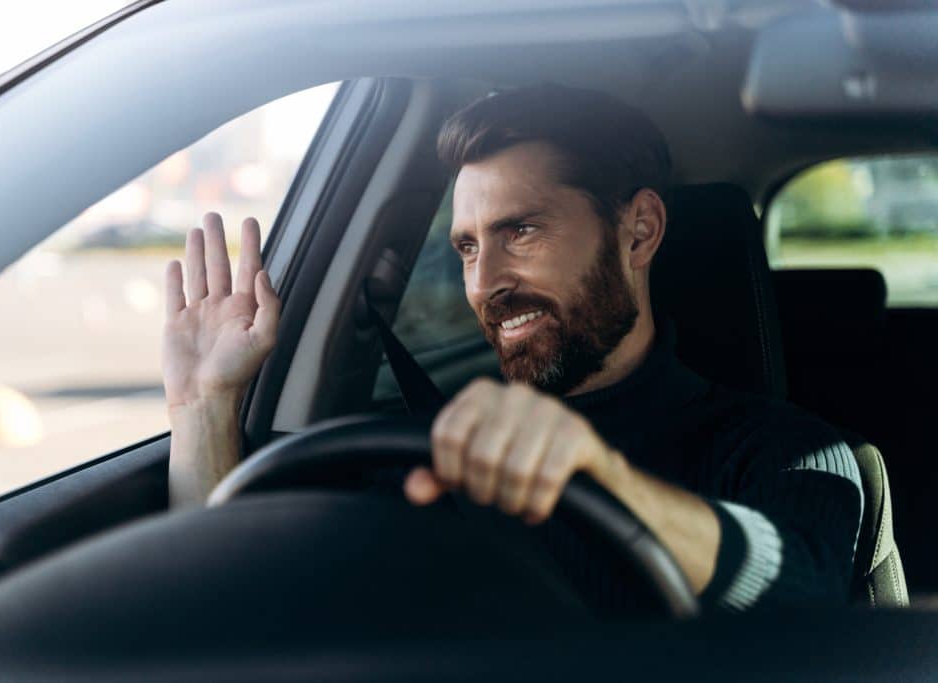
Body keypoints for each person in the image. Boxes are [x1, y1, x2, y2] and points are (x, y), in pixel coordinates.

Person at [161, 84, 863, 613]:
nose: (485, 283)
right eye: (467, 246)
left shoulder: (784, 449)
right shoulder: (422, 464)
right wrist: (203, 405)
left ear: (641, 231)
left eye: (521, 231)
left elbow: (803, 599)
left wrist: (601, 477)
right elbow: (236, 612)